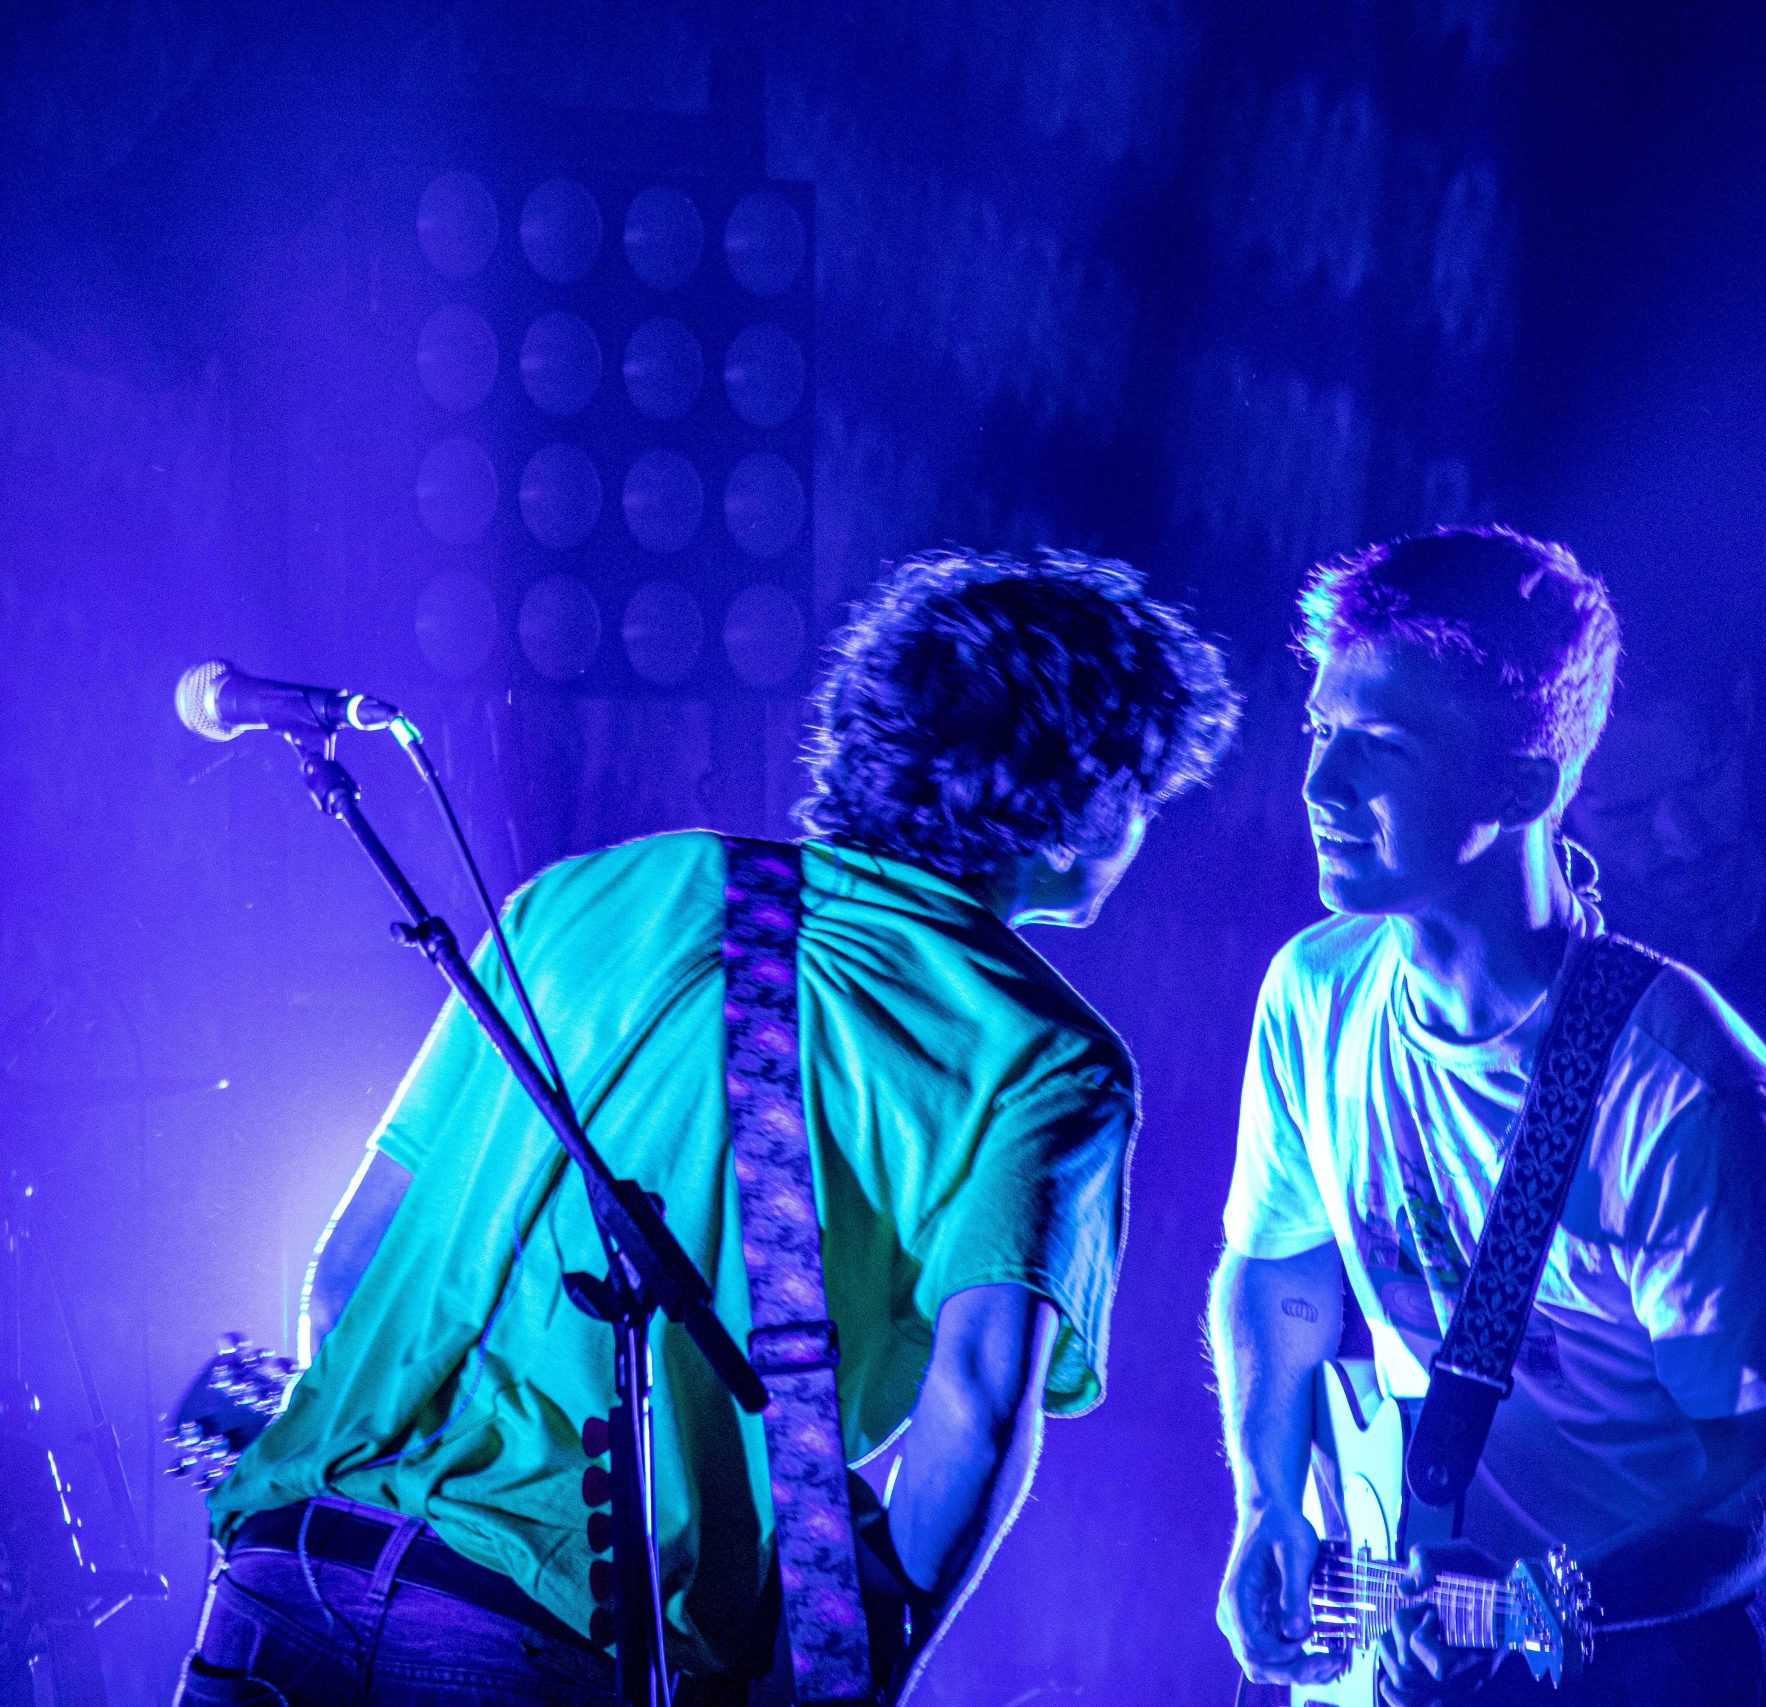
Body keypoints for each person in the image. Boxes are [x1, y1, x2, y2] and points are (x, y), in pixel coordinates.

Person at [180, 549, 1239, 1704]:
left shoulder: (581, 897)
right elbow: (977, 1411)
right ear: (1085, 803)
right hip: (541, 1644)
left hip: (282, 1580)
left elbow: (349, 1274)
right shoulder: (1044, 1057)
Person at [1210, 526, 1766, 1705]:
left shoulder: (1683, 1094)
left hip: (1649, 1671)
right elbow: (1276, 1266)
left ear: (1526, 783)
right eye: (1322, 734)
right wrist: (1268, 1503)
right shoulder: (1312, 991)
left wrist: (1547, 1613)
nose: (1320, 787)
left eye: (1380, 748)